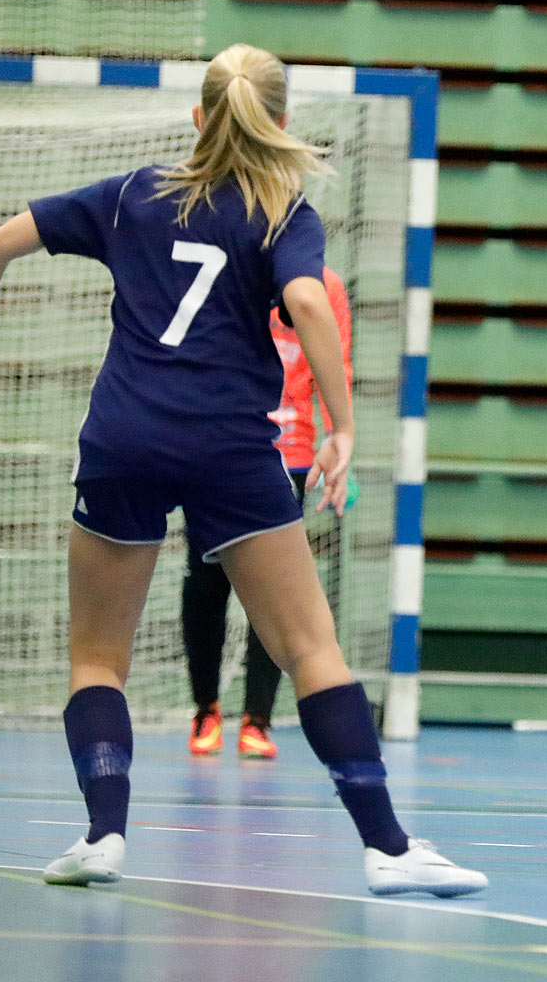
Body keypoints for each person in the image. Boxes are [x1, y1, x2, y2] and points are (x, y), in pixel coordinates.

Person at [0, 43, 486, 895]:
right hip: (229, 448)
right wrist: (343, 424)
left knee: (97, 659)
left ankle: (104, 835)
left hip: (123, 440)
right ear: (280, 124)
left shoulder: (131, 195)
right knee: (310, 649)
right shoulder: (285, 213)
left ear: (197, 118)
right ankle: (389, 849)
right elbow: (313, 299)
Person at [184, 265, 353, 761]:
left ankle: (258, 718)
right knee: (205, 579)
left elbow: (334, 362)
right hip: (217, 445)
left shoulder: (328, 286)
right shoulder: (229, 266)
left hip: (291, 454)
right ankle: (206, 708)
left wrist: (337, 437)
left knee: (274, 589)